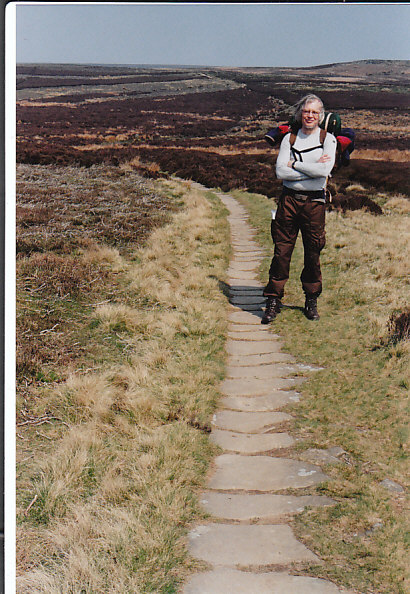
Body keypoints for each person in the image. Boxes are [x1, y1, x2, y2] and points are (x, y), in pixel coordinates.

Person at [261, 94, 337, 324]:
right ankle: (273, 300)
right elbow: (280, 173)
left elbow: (323, 173)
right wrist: (311, 168)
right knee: (281, 252)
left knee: (313, 252)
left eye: (314, 112)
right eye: (306, 111)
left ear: (321, 116)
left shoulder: (328, 139)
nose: (310, 116)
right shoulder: (289, 139)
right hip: (289, 202)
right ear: (300, 114)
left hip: (315, 203)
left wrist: (294, 164)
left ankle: (311, 300)